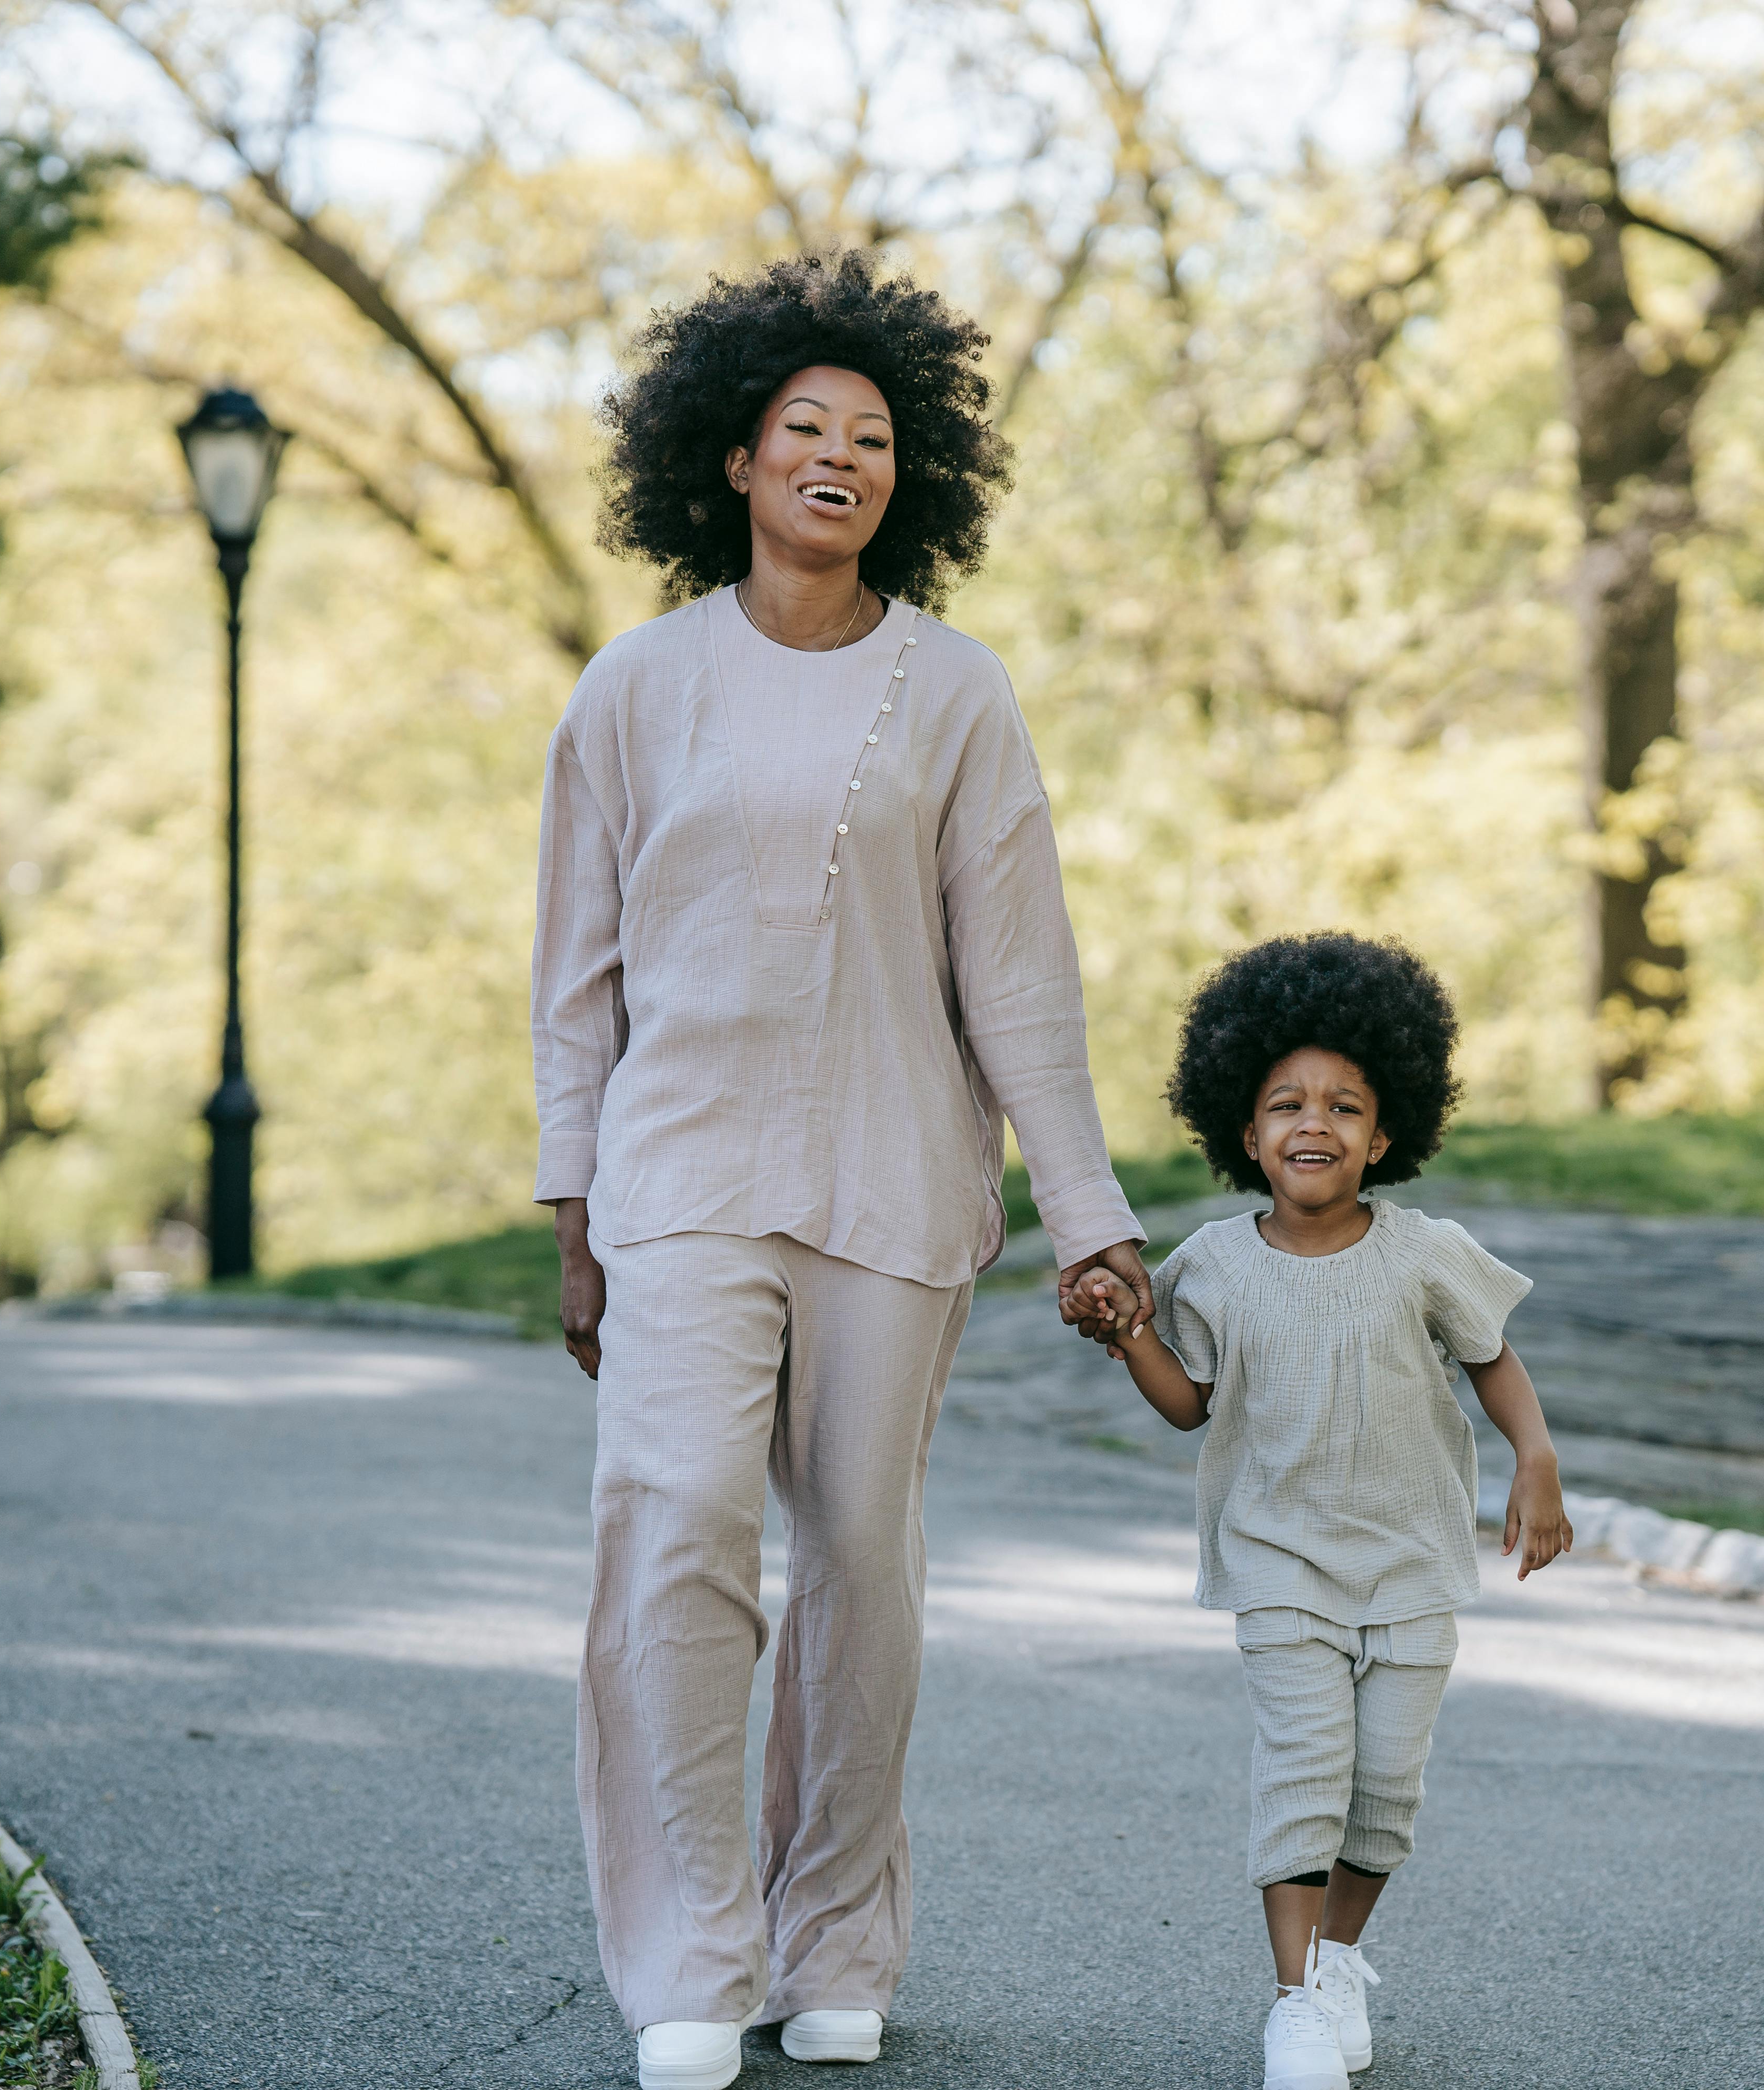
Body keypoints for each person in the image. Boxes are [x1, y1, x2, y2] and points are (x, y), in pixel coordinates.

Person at [532, 251, 1151, 2090]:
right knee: (679, 1523)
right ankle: (689, 1957)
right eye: (804, 428)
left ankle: (836, 1939)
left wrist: (1089, 1214)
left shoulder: (957, 694)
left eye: (874, 437)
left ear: (912, 478)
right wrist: (572, 1207)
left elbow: (1020, 978)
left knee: (862, 1562)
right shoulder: (634, 690)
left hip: (896, 1181)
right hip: (681, 1177)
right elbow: (577, 977)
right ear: (729, 461)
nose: (839, 456)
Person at [1066, 933, 1575, 2090]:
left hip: (1411, 1561)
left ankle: (1339, 1957)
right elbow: (1190, 1405)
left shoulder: (1424, 1253)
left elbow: (1493, 1356)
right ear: (1243, 1132)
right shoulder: (1210, 1263)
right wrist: (1127, 1329)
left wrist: (1535, 1456)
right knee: (1306, 1765)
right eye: (1286, 1101)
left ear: (1385, 1135)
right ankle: (1294, 2001)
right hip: (1278, 1559)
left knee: (1385, 1785)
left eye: (1346, 1105)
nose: (1316, 1121)